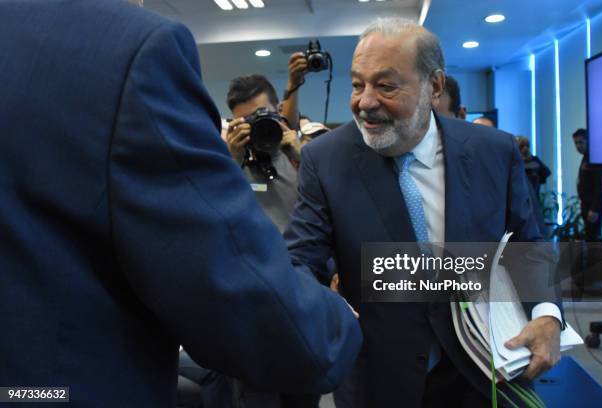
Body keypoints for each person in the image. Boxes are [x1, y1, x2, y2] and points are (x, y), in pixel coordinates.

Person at [0, 1, 362, 407]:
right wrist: (339, 319)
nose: (365, 101)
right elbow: (222, 275)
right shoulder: (128, 50)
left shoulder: (309, 153)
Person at [285, 18, 562, 407]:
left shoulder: (493, 152)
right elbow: (299, 259)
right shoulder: (325, 159)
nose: (365, 101)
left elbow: (528, 243)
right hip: (378, 379)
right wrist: (321, 305)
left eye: (385, 85)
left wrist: (548, 315)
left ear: (433, 87)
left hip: (486, 370)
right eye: (357, 84)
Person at [225, 74, 302, 231]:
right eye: (248, 121)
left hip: (302, 251)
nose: (257, 125)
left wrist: (305, 160)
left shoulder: (300, 157)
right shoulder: (232, 165)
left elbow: (335, 205)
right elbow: (216, 211)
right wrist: (231, 162)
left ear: (279, 110)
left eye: (261, 115)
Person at [572, 128, 602, 241]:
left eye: (581, 142)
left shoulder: (595, 158)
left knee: (594, 240)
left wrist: (595, 209)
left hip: (593, 206)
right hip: (587, 205)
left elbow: (600, 186)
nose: (578, 146)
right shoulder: (586, 158)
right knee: (590, 238)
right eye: (576, 143)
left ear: (588, 141)